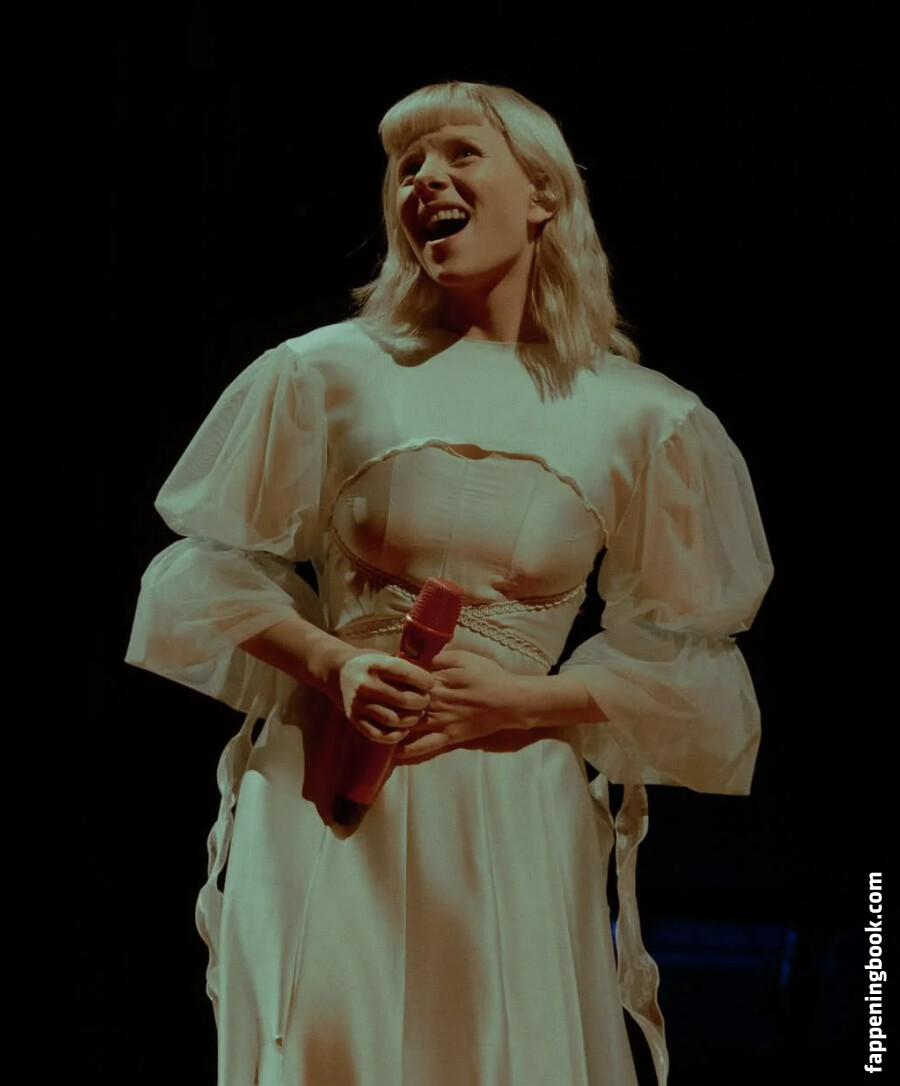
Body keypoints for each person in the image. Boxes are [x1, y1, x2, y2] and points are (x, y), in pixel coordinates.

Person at [127, 81, 773, 1086]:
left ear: (543, 194)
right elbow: (202, 573)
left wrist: (527, 700)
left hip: (513, 798)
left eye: (460, 154)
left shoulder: (645, 418)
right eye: (407, 166)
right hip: (329, 785)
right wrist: (335, 663)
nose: (425, 179)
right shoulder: (321, 373)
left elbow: (691, 660)